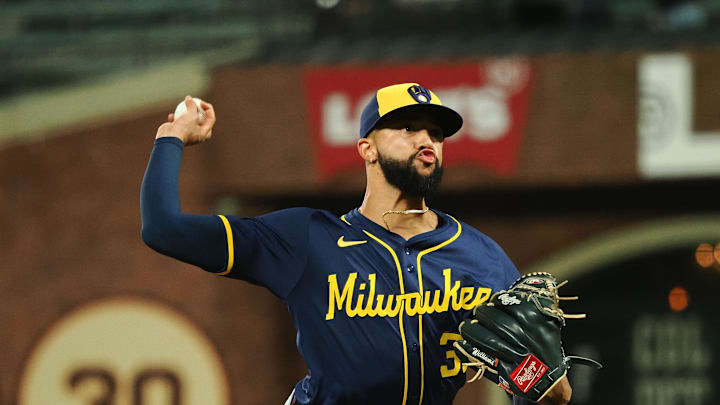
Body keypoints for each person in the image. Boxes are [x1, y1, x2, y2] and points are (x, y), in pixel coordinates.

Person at [140, 83, 572, 405]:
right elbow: (163, 229)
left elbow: (536, 385)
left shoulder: (480, 256)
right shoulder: (305, 237)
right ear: (366, 148)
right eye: (407, 128)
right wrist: (171, 136)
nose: (427, 142)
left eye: (436, 135)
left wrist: (547, 387)